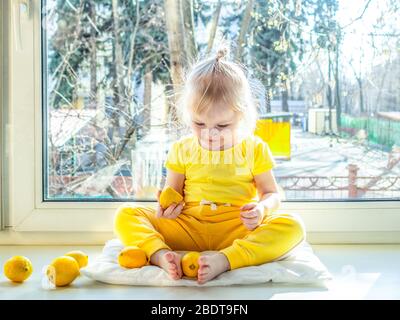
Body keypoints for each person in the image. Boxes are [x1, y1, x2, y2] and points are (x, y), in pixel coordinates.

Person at [114, 46, 306, 284]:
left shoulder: (255, 149)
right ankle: (161, 255)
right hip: (188, 229)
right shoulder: (182, 149)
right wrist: (166, 207)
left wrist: (261, 210)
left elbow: (271, 194)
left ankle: (225, 260)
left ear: (242, 116)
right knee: (126, 214)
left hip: (236, 230)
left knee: (293, 226)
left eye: (222, 126)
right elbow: (173, 194)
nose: (210, 134)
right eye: (199, 123)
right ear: (187, 115)